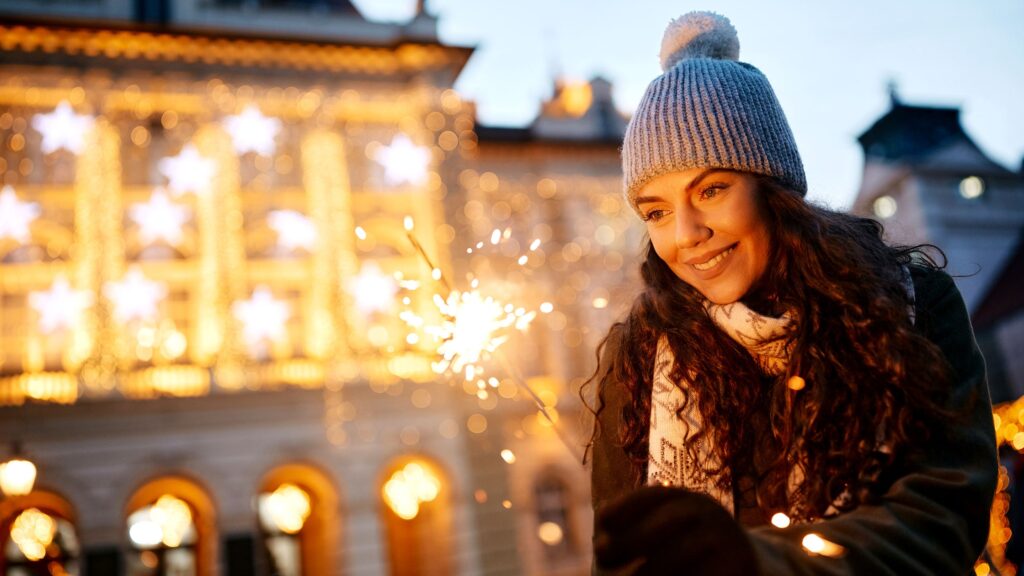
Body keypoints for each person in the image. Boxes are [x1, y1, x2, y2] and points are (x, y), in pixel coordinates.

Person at [586, 11, 997, 576]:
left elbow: (943, 519)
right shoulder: (637, 357)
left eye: (711, 189)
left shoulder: (906, 303)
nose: (685, 235)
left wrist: (755, 562)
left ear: (772, 186)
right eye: (656, 211)